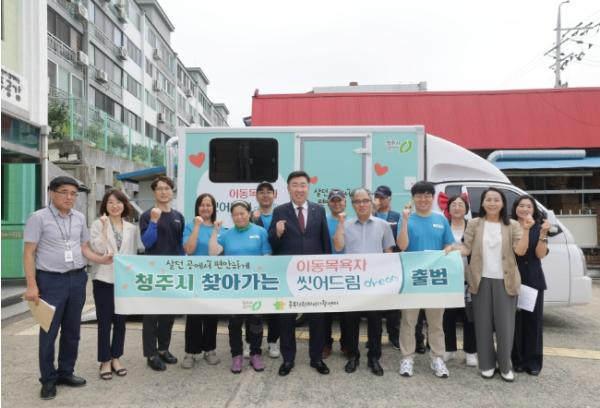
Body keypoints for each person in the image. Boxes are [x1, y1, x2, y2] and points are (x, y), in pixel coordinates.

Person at [23, 176, 113, 400]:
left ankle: (66, 372)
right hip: (50, 281)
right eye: (64, 192)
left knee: (72, 330)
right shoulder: (38, 218)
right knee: (49, 332)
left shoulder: (79, 217)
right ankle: (48, 379)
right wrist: (32, 285)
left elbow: (84, 248)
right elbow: (29, 253)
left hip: (77, 279)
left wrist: (101, 259)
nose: (69, 197)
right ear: (51, 193)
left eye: (73, 193)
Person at [458, 187, 529, 382]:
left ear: (503, 203)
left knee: (506, 327)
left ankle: (505, 366)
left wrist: (526, 230)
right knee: (483, 325)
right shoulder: (474, 224)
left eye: (496, 200)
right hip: (480, 280)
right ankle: (487, 364)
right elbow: (467, 248)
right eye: (488, 199)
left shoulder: (513, 225)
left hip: (506, 281)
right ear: (482, 203)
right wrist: (451, 249)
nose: (492, 203)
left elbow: (520, 251)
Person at [268, 170, 332, 376]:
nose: (299, 189)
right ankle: (288, 359)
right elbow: (272, 244)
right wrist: (277, 233)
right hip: (289, 275)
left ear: (308, 188)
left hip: (314, 276)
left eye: (303, 185)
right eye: (294, 185)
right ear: (288, 188)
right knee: (286, 318)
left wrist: (327, 269)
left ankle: (316, 359)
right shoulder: (280, 211)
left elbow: (325, 241)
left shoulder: (318, 210)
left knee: (317, 318)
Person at [333, 188, 396, 376]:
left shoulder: (383, 225)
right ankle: (353, 356)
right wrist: (340, 224)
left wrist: (389, 280)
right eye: (357, 201)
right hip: (351, 283)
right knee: (350, 322)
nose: (361, 204)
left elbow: (389, 253)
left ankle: (374, 358)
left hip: (375, 283)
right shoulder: (346, 224)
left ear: (371, 202)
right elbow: (338, 246)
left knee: (375, 322)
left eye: (365, 201)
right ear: (352, 205)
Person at [396, 181, 453, 378]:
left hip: (434, 280)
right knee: (408, 321)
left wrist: (448, 250)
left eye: (427, 195)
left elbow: (449, 244)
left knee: (436, 323)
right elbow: (402, 246)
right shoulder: (407, 218)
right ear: (413, 198)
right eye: (419, 195)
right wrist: (404, 221)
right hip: (412, 279)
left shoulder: (441, 219)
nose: (423, 199)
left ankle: (437, 358)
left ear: (432, 198)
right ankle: (407, 358)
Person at [209, 200, 271, 374]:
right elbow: (212, 253)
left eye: (242, 213)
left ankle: (255, 354)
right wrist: (215, 232)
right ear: (232, 216)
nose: (239, 217)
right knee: (235, 323)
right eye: (235, 214)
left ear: (249, 213)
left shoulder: (260, 232)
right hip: (234, 287)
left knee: (256, 322)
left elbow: (267, 255)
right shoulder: (226, 234)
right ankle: (236, 355)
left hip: (255, 285)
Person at [89, 189, 138, 380]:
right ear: (105, 205)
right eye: (110, 202)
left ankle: (116, 357)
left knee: (120, 322)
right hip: (103, 278)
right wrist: (103, 227)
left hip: (124, 280)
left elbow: (132, 255)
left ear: (124, 205)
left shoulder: (131, 228)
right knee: (104, 321)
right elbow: (98, 249)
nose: (115, 206)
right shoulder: (97, 223)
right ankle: (104, 361)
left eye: (118, 202)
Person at [140, 176, 185, 371]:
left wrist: (183, 265)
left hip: (173, 272)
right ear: (154, 192)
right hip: (153, 271)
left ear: (172, 191)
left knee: (168, 314)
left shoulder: (178, 216)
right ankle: (151, 354)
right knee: (151, 315)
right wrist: (154, 221)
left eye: (167, 188)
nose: (164, 192)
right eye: (159, 189)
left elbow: (180, 245)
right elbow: (147, 242)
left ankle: (163, 349)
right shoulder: (147, 215)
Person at [180, 193, 222, 369]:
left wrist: (215, 232)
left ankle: (210, 350)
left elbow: (219, 252)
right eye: (202, 205)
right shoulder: (190, 227)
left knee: (211, 316)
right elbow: (189, 250)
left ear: (213, 208)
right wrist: (197, 226)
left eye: (209, 205)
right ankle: (190, 352)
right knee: (194, 316)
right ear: (197, 207)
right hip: (195, 277)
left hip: (213, 278)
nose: (206, 208)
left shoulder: (219, 228)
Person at [511, 195, 551, 376]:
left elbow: (540, 254)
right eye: (521, 205)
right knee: (514, 322)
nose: (525, 209)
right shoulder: (509, 226)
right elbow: (517, 252)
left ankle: (533, 362)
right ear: (515, 208)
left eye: (529, 206)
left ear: (534, 210)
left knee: (533, 322)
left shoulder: (540, 227)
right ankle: (516, 360)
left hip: (533, 278)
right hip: (513, 277)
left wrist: (542, 234)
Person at [441, 195, 477, 367]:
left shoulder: (473, 226)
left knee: (469, 316)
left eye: (460, 204)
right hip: (448, 279)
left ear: (466, 208)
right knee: (447, 316)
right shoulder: (443, 226)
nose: (456, 207)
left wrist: (453, 248)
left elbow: (474, 249)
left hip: (468, 278)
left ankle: (471, 351)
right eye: (453, 205)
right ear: (448, 209)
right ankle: (449, 349)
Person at [250, 181, 280, 359]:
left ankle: (273, 341)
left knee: (275, 307)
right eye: (261, 192)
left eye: (269, 191)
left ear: (274, 195)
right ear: (256, 196)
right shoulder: (250, 216)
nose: (265, 195)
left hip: (277, 268)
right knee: (254, 308)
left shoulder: (281, 214)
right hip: (256, 269)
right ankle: (251, 343)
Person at [373, 185, 402, 350]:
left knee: (393, 304)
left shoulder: (396, 216)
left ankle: (394, 336)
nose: (380, 200)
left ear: (390, 198)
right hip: (374, 266)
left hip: (392, 264)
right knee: (375, 304)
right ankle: (374, 337)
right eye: (377, 197)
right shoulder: (371, 214)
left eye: (383, 197)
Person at [323, 188, 347, 359]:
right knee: (325, 312)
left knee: (346, 313)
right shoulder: (322, 221)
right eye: (333, 200)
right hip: (325, 272)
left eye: (340, 200)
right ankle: (326, 344)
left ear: (345, 202)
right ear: (329, 203)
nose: (337, 203)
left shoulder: (351, 222)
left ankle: (346, 344)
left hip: (347, 272)